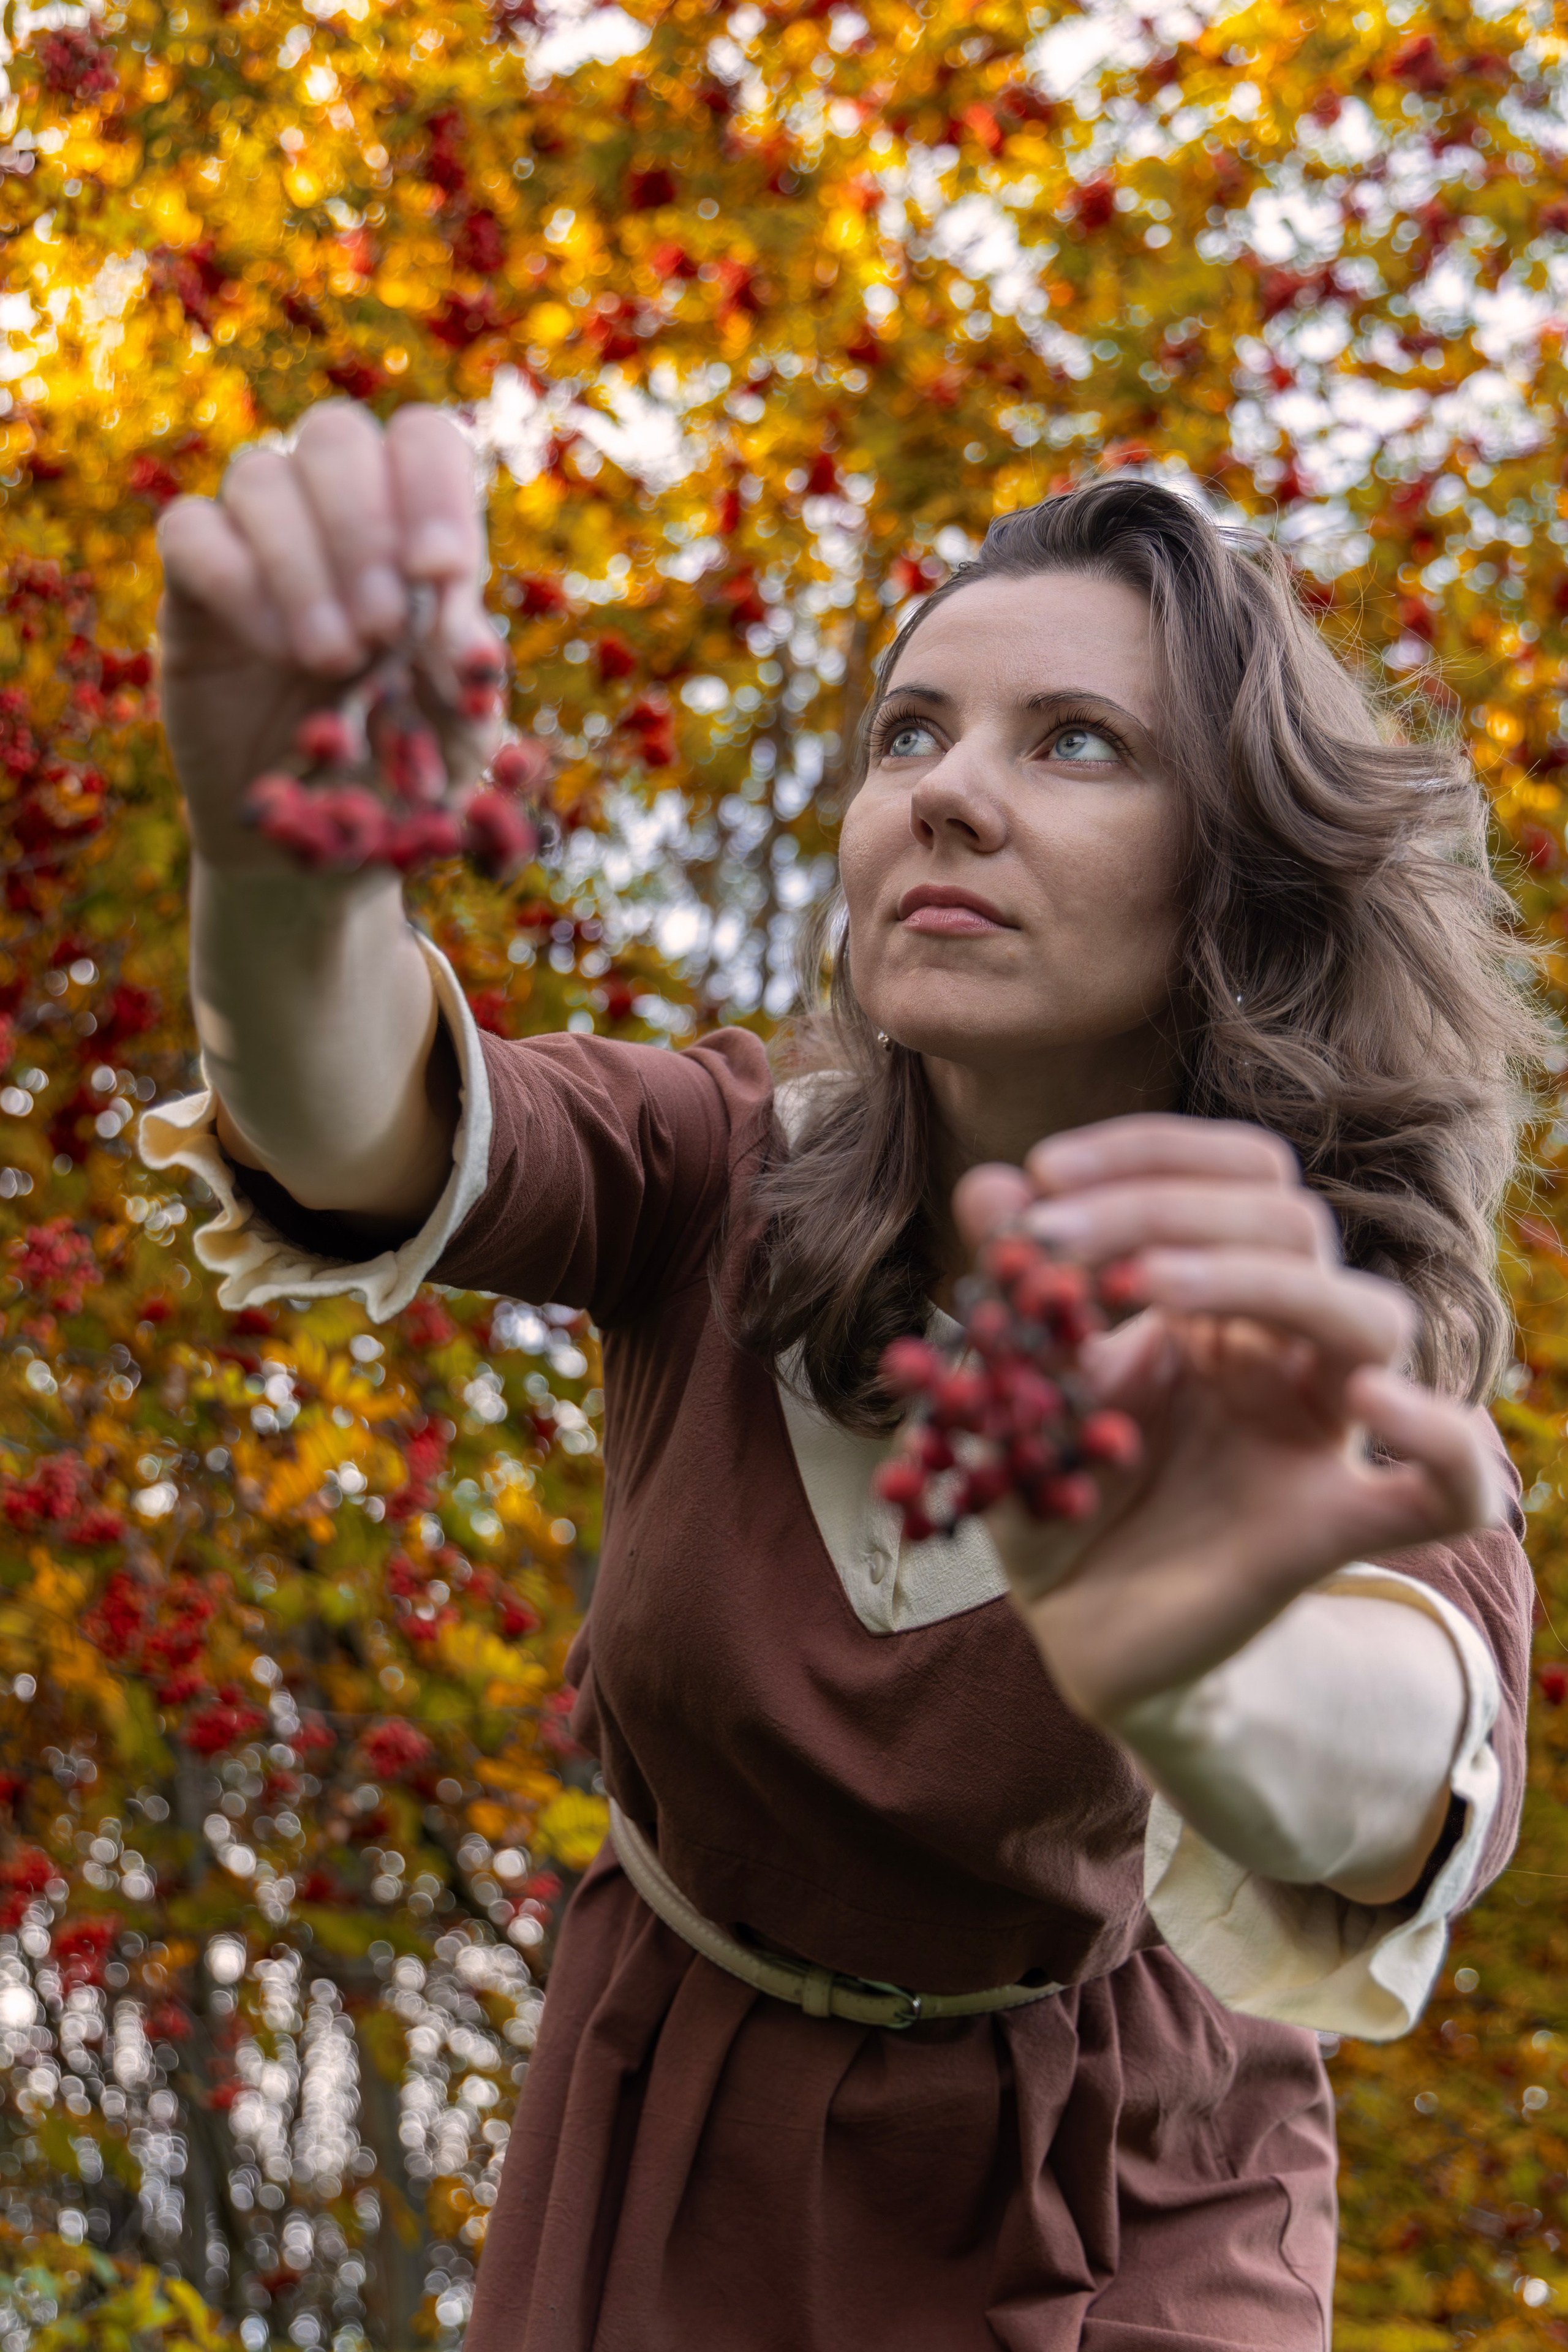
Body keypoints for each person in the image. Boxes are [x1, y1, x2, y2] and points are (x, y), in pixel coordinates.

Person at [143, 401, 1537, 2352]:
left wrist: (1209, 1659)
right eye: (911, 731)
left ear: (1241, 873)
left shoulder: (1326, 1345)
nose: (947, 795)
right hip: (671, 2128)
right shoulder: (721, 1163)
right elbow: (358, 1128)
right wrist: (284, 883)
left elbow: (1399, 1755)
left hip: (1127, 2188)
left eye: (1076, 742)